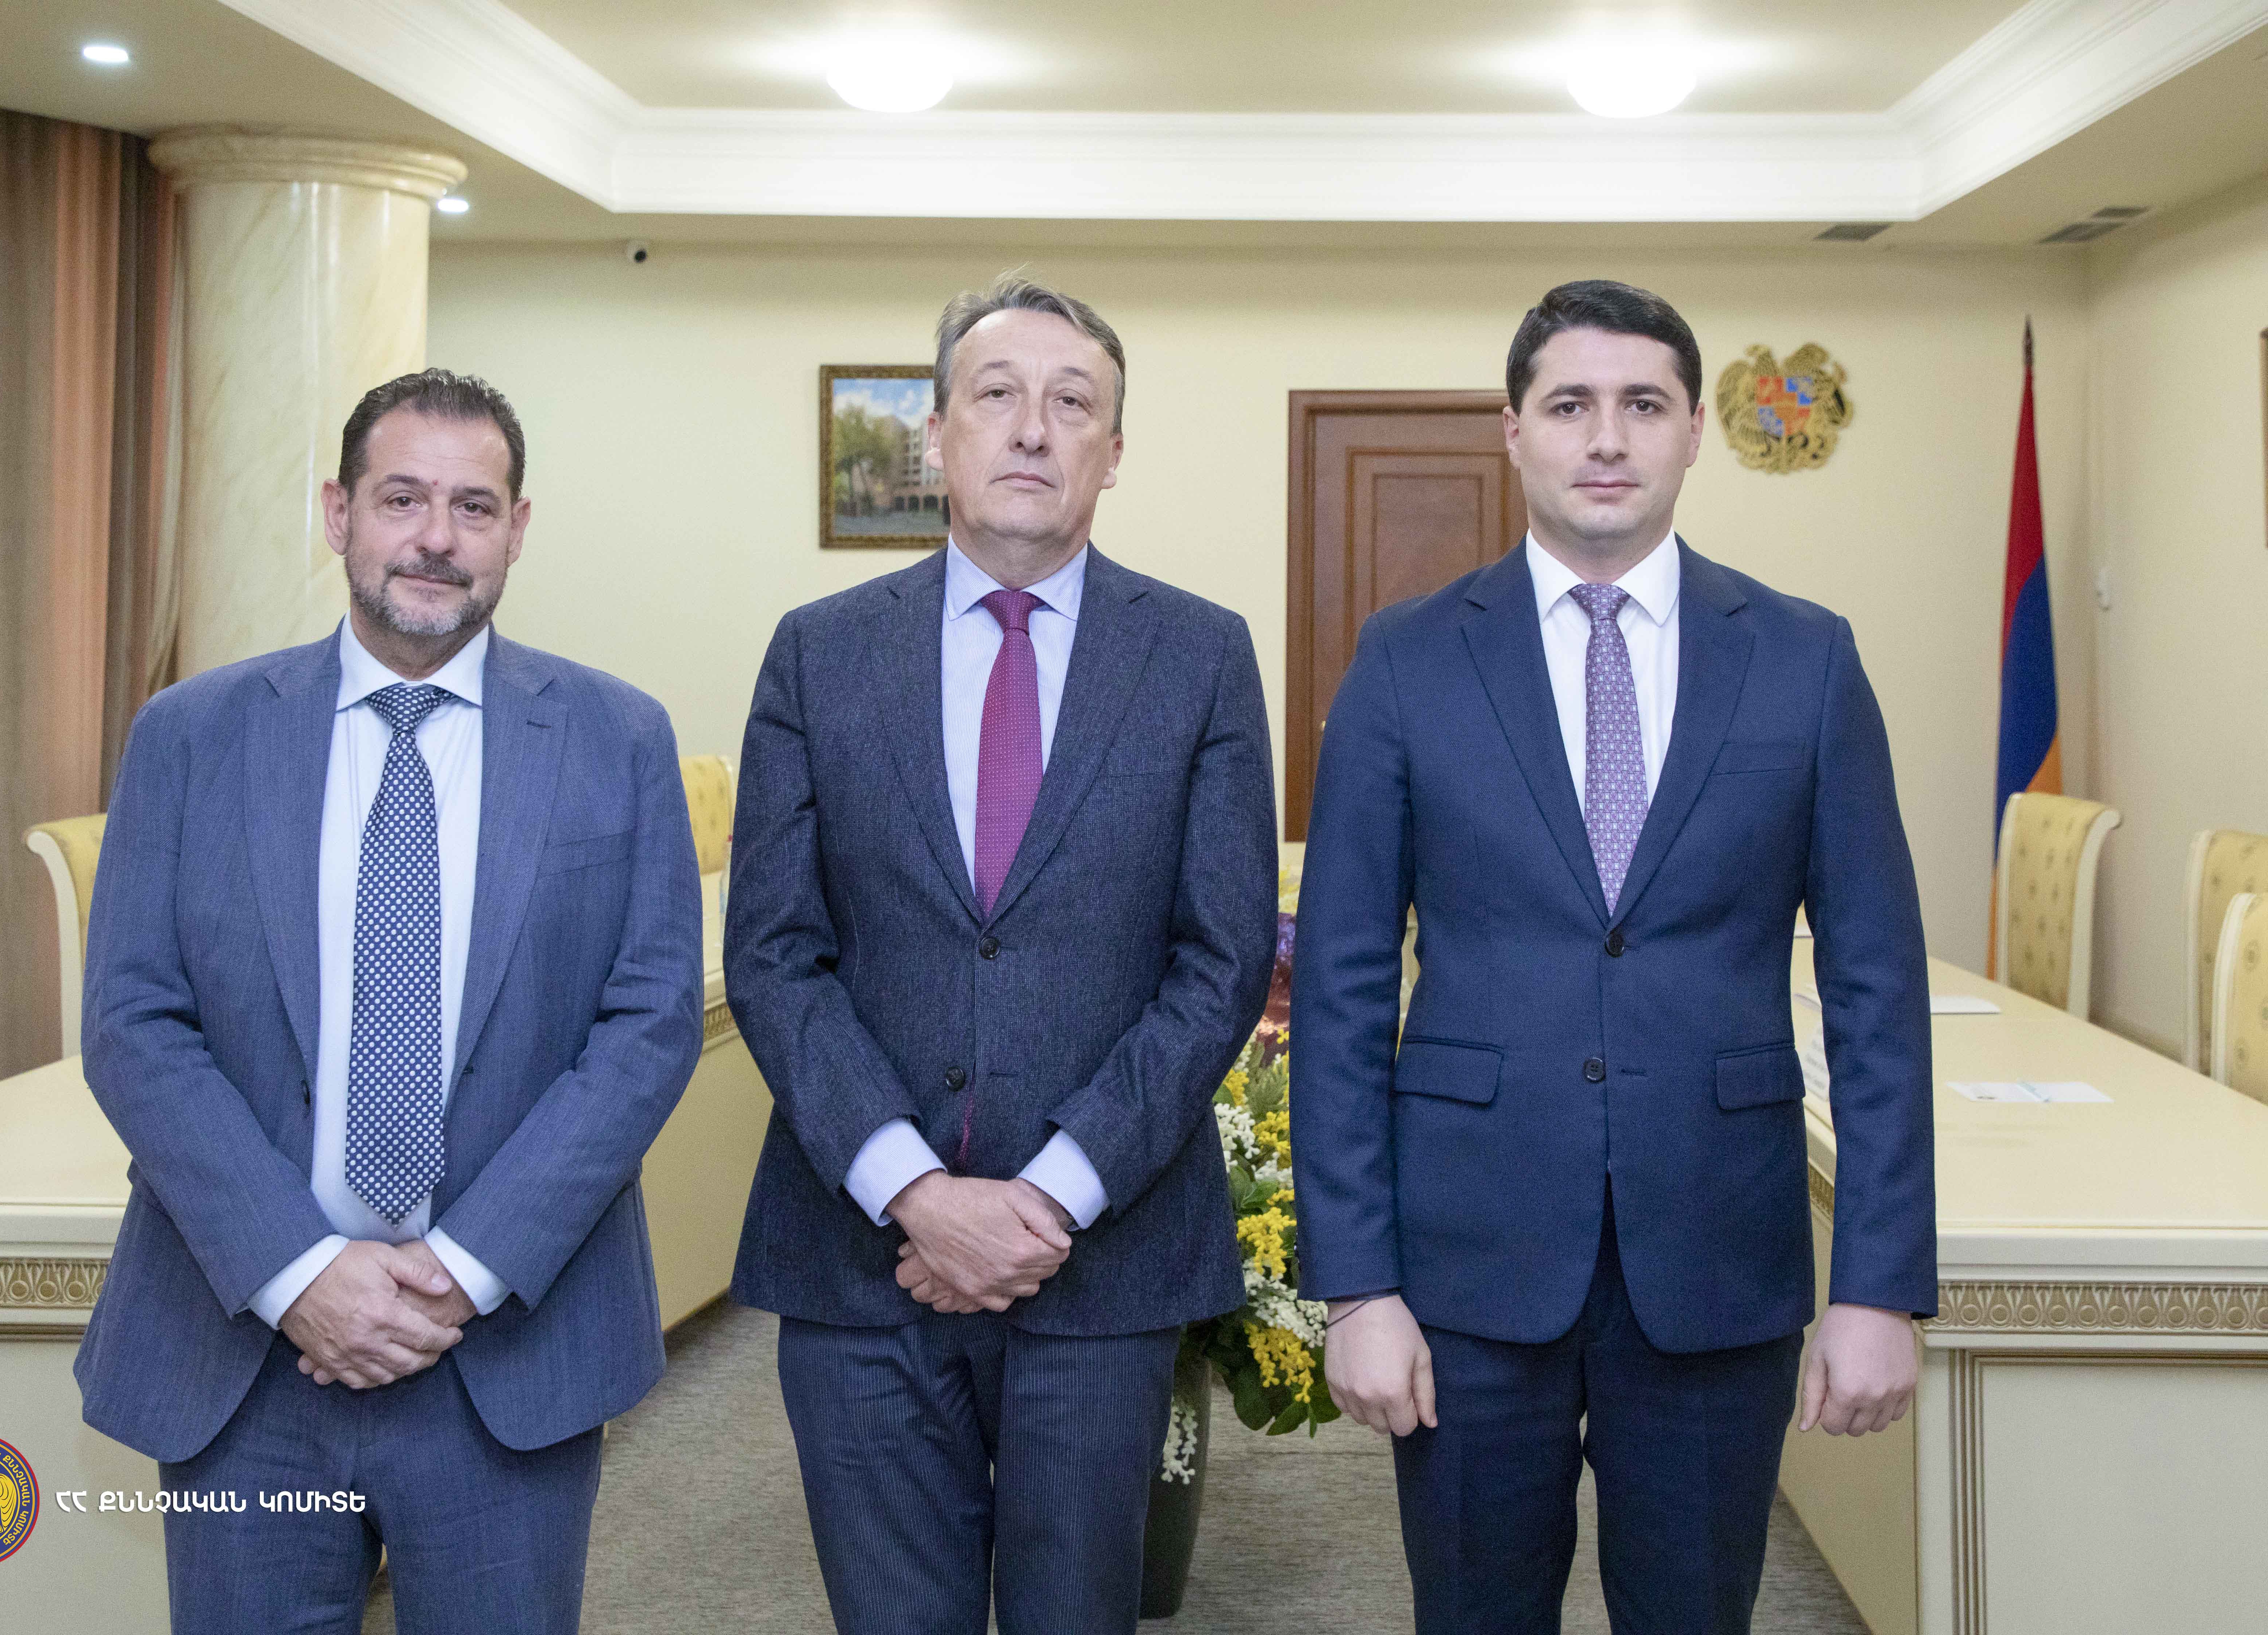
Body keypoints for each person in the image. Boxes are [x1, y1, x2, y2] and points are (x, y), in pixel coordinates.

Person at [1293, 280, 1935, 1633]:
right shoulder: (1405, 662)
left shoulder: (1808, 661)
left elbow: (1878, 992)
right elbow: (1341, 992)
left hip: (1717, 1259)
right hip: (1466, 1266)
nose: (1606, 438)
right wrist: (1355, 1286)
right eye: (1569, 405)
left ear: (1694, 431)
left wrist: (1880, 1284)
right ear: (1513, 432)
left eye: (1643, 405)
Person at [76, 369, 702, 1633]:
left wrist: (460, 1275)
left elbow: (647, 1028)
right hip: (248, 1351)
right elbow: (133, 1022)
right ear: (339, 513)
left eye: (474, 507)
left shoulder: (619, 738)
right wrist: (299, 1272)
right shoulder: (190, 736)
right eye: (402, 498)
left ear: (518, 530)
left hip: (501, 1352)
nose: (436, 538)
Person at [724, 273, 1276, 1635]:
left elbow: (1219, 961)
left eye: (1072, 403)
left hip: (1105, 1261)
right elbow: (775, 953)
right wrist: (914, 1191)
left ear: (1113, 451)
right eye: (998, 395)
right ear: (937, 435)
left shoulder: (1202, 657)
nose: (1034, 428)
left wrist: (1051, 1200)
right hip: (859, 1261)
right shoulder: (817, 656)